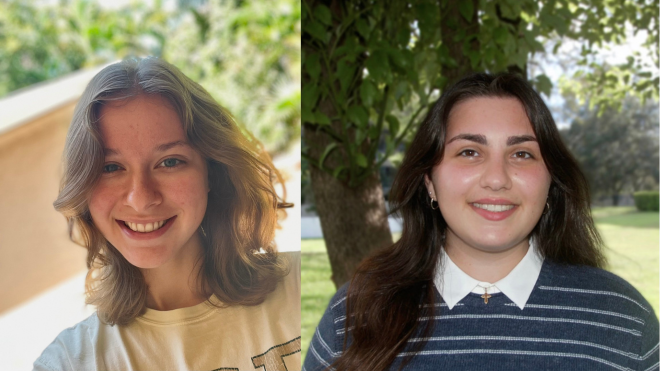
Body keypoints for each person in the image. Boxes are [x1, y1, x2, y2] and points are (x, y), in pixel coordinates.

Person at [304, 73, 659, 371]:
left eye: (521, 154)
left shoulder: (624, 320)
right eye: (469, 152)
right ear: (429, 180)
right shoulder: (353, 314)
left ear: (551, 182)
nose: (496, 178)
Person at [33, 58, 301, 371]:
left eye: (170, 162)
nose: (141, 198)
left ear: (212, 173)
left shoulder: (301, 288)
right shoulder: (70, 362)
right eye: (110, 168)